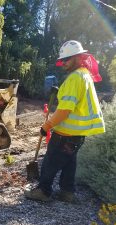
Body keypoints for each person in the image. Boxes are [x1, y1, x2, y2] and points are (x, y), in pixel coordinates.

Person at [24, 40, 105, 202]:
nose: (64, 63)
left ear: (77, 57)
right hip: (78, 134)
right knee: (69, 162)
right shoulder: (84, 74)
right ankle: (67, 192)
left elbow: (65, 110)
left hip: (65, 134)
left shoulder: (75, 78)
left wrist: (46, 126)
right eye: (63, 60)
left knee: (50, 161)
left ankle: (43, 191)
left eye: (67, 59)